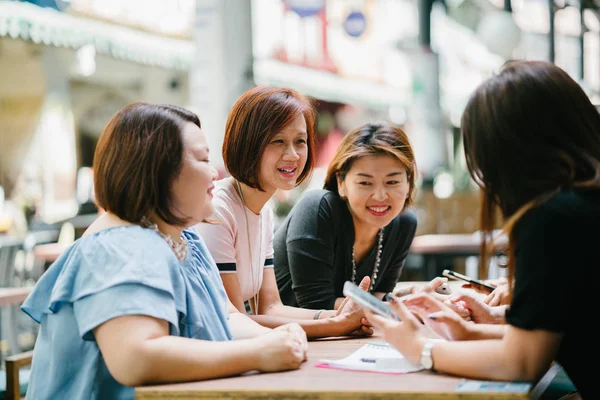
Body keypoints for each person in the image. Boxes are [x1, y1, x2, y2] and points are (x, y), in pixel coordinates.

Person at [21, 102, 308, 400]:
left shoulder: (186, 241)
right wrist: (257, 352)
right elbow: (136, 356)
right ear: (158, 170)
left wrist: (277, 338)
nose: (214, 173)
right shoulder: (120, 245)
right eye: (202, 159)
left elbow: (226, 316)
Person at [362, 60, 599, 399]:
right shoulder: (583, 201)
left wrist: (419, 349)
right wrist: (475, 328)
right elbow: (550, 335)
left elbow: (521, 362)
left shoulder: (554, 218)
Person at [196, 86, 371, 339]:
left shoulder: (263, 210)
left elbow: (270, 307)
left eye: (300, 141)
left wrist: (337, 315)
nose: (293, 154)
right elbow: (235, 320)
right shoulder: (218, 210)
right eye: (277, 141)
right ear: (247, 144)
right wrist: (336, 325)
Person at [275, 121, 431, 311]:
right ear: (341, 183)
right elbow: (315, 304)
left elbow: (378, 294)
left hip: (342, 337)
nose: (380, 196)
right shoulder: (317, 209)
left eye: (392, 182)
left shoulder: (404, 223)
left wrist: (413, 298)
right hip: (271, 333)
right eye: (365, 183)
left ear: (408, 183)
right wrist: (396, 308)